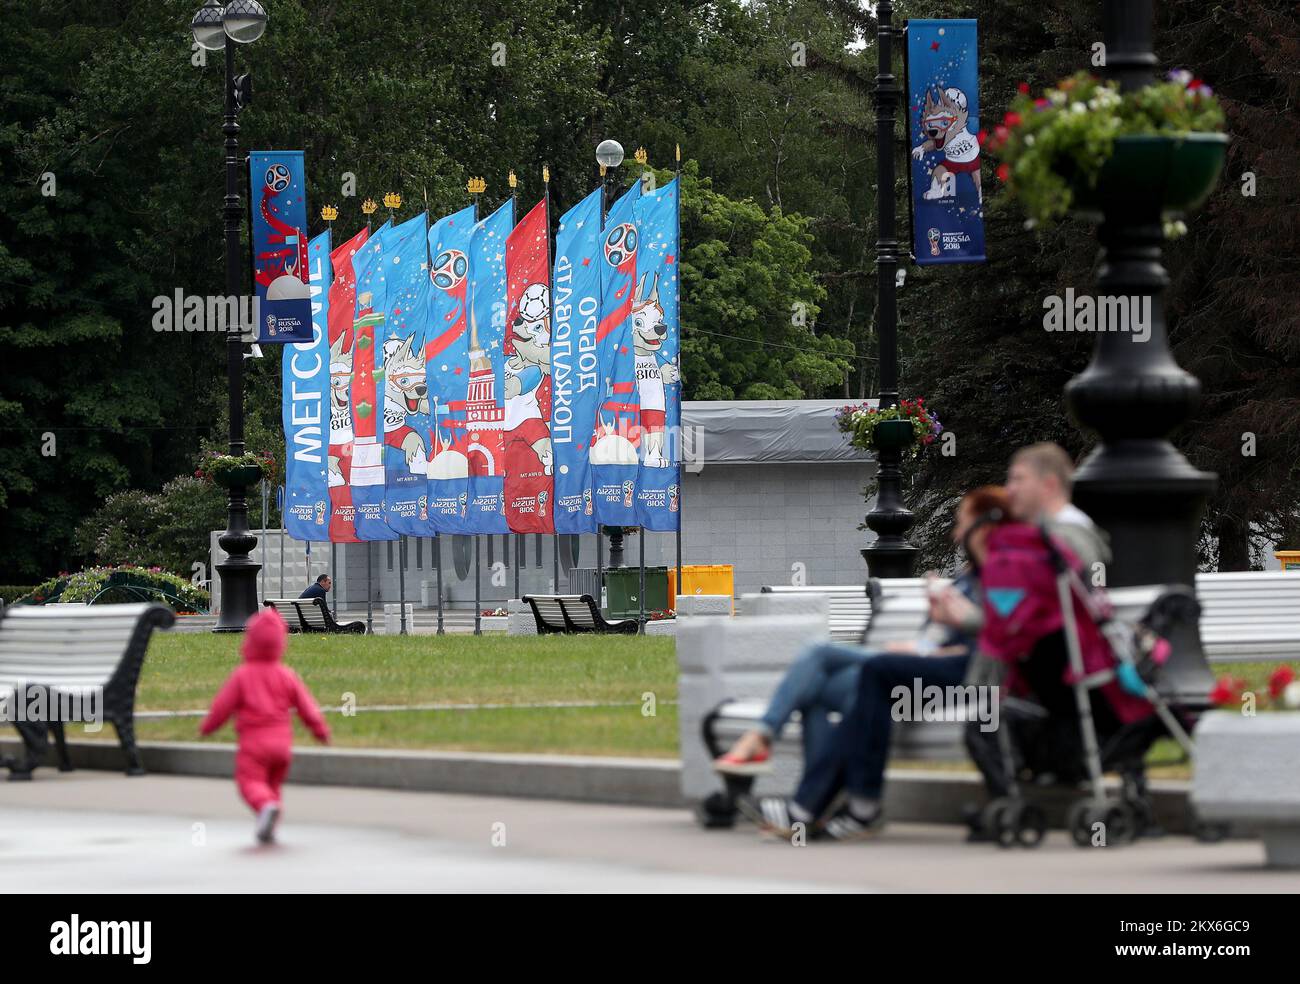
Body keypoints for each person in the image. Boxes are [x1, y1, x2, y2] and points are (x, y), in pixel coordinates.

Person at [742, 485, 1012, 839]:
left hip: (971, 678)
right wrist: (934, 623)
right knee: (823, 688)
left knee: (867, 669)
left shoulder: (1004, 572)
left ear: (985, 526)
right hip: (928, 668)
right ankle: (828, 809)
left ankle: (819, 806)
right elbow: (939, 635)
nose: (957, 532)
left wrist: (932, 641)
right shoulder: (968, 576)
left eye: (964, 522)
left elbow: (995, 641)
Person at [199, 607, 331, 844]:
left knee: (249, 782)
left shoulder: (243, 675)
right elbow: (306, 706)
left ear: (250, 641)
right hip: (282, 746)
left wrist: (208, 727)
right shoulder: (286, 675)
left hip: (254, 745)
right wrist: (320, 730)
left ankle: (265, 808)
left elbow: (222, 706)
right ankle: (269, 823)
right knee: (272, 785)